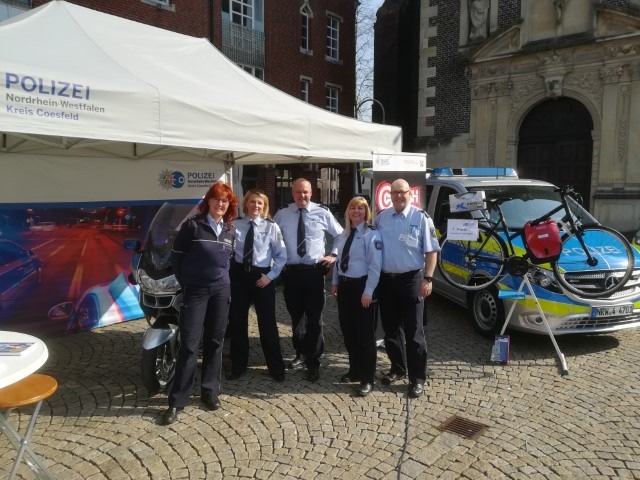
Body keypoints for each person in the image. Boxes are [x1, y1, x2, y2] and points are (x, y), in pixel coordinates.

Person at [160, 182, 238, 425]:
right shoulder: (193, 227)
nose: (220, 204)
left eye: (225, 201)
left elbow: (228, 261)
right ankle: (177, 401)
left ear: (229, 205)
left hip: (221, 291)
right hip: (196, 291)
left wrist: (223, 283)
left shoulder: (230, 230)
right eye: (216, 199)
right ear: (208, 202)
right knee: (190, 345)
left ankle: (209, 391)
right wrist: (189, 283)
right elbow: (177, 260)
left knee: (215, 342)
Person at [273, 177, 343, 382]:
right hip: (291, 272)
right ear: (292, 193)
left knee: (314, 319)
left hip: (314, 272)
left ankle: (314, 361)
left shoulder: (323, 212)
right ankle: (300, 354)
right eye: (298, 192)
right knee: (296, 318)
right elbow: (271, 238)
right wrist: (277, 259)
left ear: (311, 193)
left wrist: (334, 255)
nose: (302, 196)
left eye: (305, 192)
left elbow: (340, 235)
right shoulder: (282, 214)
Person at [375, 179, 439, 399]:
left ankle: (417, 378)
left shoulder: (421, 218)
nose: (398, 196)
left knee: (414, 332)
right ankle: (397, 368)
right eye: (394, 193)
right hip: (387, 281)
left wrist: (428, 279)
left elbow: (432, 252)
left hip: (412, 280)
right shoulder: (382, 217)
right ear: (390, 195)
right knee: (391, 330)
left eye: (402, 192)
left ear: (410, 194)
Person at [229, 189, 287, 382]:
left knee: (268, 324)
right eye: (253, 202)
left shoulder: (271, 227)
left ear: (264, 207)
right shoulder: (234, 225)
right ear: (246, 204)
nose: (256, 206)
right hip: (239, 277)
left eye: (260, 203)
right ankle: (238, 365)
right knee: (237, 323)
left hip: (262, 278)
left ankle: (276, 367)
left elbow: (281, 256)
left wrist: (270, 277)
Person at [330, 196, 382, 396]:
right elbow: (339, 261)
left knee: (365, 336)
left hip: (362, 288)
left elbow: (375, 266)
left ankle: (367, 378)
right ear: (348, 212)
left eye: (361, 208)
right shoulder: (344, 234)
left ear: (366, 212)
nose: (356, 211)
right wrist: (335, 282)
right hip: (345, 288)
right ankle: (354, 370)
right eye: (353, 208)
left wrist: (368, 291)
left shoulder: (371, 235)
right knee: (349, 331)